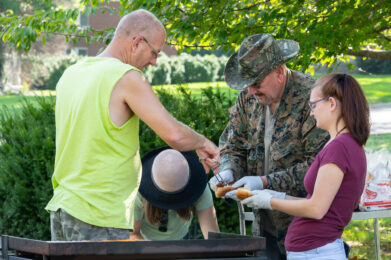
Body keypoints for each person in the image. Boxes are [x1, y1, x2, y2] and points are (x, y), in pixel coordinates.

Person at [45, 9, 219, 241]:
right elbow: (174, 135)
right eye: (155, 52)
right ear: (137, 42)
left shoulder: (71, 74)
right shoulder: (126, 77)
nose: (154, 61)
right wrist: (203, 142)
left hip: (63, 207)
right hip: (99, 214)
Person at [209, 33, 329, 259]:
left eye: (256, 83)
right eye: (247, 85)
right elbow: (233, 145)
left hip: (307, 229)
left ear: (279, 73)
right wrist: (228, 170)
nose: (251, 91)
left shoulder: (312, 99)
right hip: (264, 230)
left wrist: (265, 182)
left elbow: (319, 166)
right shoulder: (248, 98)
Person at [240, 73, 370, 259]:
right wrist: (275, 195)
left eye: (314, 105)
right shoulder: (343, 144)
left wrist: (268, 201)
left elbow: (316, 209)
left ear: (332, 104)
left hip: (318, 252)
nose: (311, 112)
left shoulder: (340, 147)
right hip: (316, 250)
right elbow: (316, 200)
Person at [132, 147, 219, 240]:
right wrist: (151, 252)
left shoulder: (199, 187)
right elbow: (133, 234)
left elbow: (212, 237)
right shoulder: (136, 192)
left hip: (181, 238)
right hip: (144, 241)